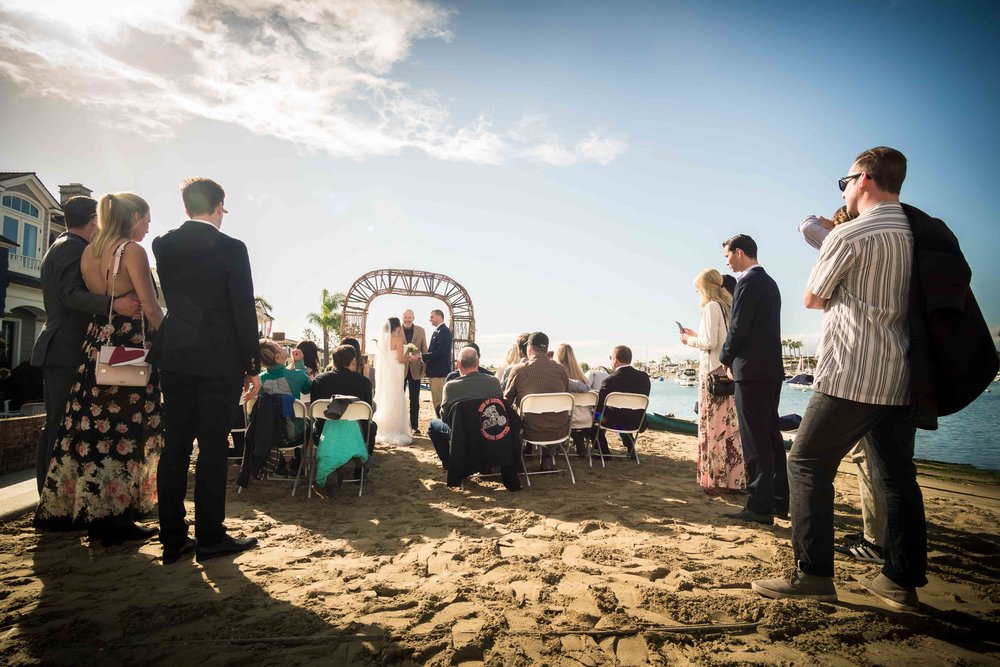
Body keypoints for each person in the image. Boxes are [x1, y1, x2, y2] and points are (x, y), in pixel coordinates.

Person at [753, 147, 926, 612]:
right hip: (905, 371)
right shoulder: (917, 230)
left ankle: (812, 575)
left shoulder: (852, 234)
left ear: (864, 178)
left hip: (854, 370)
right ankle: (901, 581)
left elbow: (813, 297)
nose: (844, 190)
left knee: (806, 464)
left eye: (844, 181)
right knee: (896, 476)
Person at [34, 192, 163, 547]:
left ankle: (93, 513)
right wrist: (173, 344)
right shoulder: (126, 251)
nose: (149, 226)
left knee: (94, 434)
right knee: (122, 431)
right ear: (133, 215)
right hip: (125, 348)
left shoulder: (89, 252)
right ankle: (113, 519)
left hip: (95, 347)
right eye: (147, 218)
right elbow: (150, 307)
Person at [149, 177, 260, 565]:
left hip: (176, 354)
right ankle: (210, 537)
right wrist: (252, 364)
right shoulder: (232, 248)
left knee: (175, 446)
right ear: (219, 207)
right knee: (213, 447)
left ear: (185, 207)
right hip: (219, 358)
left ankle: (172, 539)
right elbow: (242, 307)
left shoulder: (162, 244)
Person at [30, 195, 141, 495]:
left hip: (79, 348)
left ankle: (66, 497)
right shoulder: (71, 247)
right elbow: (69, 295)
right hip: (66, 348)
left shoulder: (79, 248)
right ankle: (51, 498)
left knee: (73, 424)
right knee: (59, 424)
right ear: (95, 221)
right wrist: (114, 304)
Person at [799, 206, 885, 563]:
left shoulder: (847, 242)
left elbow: (806, 225)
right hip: (894, 369)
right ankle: (882, 540)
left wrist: (836, 225)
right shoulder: (895, 248)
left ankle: (869, 544)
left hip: (857, 370)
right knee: (888, 464)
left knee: (805, 460)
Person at [719, 233, 786, 525]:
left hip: (750, 371)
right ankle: (780, 500)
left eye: (728, 256)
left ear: (740, 252)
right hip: (771, 369)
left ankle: (759, 506)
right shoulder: (770, 283)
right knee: (771, 435)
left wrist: (725, 358)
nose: (727, 261)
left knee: (754, 439)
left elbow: (739, 327)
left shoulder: (747, 281)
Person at [681, 269, 746, 493]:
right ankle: (733, 479)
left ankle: (715, 479)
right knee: (729, 428)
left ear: (704, 288)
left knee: (713, 427)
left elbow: (708, 341)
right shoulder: (728, 307)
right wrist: (695, 335)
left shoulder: (710, 307)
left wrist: (689, 340)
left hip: (711, 374)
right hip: (726, 371)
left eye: (697, 289)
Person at [503, 332, 570, 471]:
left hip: (530, 430)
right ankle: (547, 459)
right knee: (551, 412)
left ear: (529, 348)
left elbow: (506, 401)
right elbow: (566, 396)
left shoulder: (520, 370)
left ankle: (518, 458)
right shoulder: (561, 370)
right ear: (546, 349)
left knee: (511, 415)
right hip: (560, 430)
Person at [427, 347, 503, 468]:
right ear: (478, 363)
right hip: (488, 429)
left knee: (433, 426)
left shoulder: (450, 386)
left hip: (461, 432)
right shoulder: (493, 382)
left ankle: (449, 464)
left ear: (458, 364)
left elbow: (444, 416)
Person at [311, 344, 376, 485]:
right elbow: (368, 411)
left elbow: (314, 409)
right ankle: (360, 473)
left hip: (323, 433)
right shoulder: (363, 382)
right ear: (353, 361)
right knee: (372, 426)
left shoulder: (320, 380)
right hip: (356, 434)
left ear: (333, 362)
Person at [594, 345, 651, 459]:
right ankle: (630, 448)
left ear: (615, 360)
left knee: (595, 414)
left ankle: (604, 451)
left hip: (614, 423)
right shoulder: (644, 377)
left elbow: (599, 408)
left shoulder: (609, 381)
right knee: (623, 415)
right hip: (636, 421)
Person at [373, 317, 418, 445]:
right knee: (396, 395)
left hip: (387, 371)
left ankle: (384, 426)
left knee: (387, 395)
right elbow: (400, 359)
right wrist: (412, 358)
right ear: (397, 327)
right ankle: (395, 428)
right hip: (396, 370)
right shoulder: (398, 339)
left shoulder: (383, 340)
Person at [553, 343, 594, 456]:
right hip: (584, 418)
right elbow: (586, 388)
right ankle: (579, 442)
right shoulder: (581, 378)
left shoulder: (557, 376)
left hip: (564, 420)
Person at [400, 309, 427, 435]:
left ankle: (414, 426)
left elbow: (424, 350)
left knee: (414, 399)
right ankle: (399, 425)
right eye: (405, 317)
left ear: (413, 318)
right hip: (400, 369)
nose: (407, 319)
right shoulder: (397, 331)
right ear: (402, 317)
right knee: (399, 399)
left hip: (416, 370)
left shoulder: (421, 331)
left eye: (409, 317)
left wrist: (424, 367)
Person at [422, 309, 452, 417]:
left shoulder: (444, 331)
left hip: (439, 373)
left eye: (432, 317)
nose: (430, 319)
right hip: (435, 373)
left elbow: (440, 352)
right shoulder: (439, 331)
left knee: (439, 400)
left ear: (439, 317)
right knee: (436, 399)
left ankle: (441, 424)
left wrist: (423, 357)